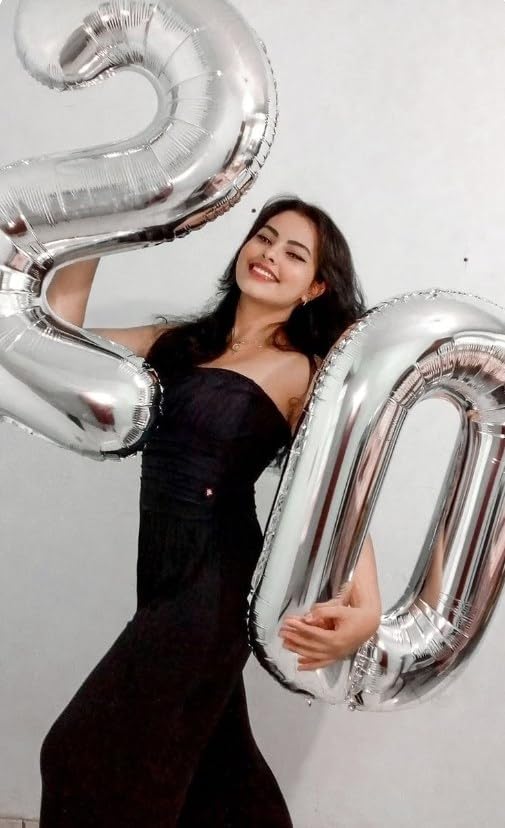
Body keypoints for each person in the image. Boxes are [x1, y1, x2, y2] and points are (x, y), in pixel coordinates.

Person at [38, 195, 382, 826]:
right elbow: (60, 346)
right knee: (220, 774)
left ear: (315, 288)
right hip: (160, 570)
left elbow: (340, 488)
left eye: (294, 254)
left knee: (78, 754)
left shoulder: (304, 374)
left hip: (216, 581)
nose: (270, 255)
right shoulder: (176, 342)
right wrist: (94, 236)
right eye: (264, 237)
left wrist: (369, 605)